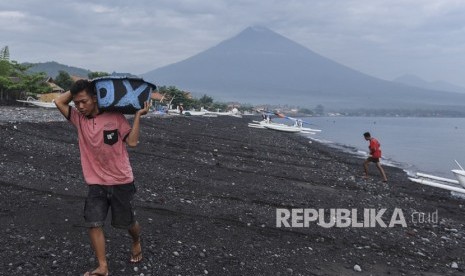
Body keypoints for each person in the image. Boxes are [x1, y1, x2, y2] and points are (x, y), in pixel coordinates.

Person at [54, 79, 151, 276]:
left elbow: (132, 142)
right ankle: (102, 267)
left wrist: (138, 115)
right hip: (96, 182)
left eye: (84, 102)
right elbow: (59, 102)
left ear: (96, 99)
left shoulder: (115, 117)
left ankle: (136, 240)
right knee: (93, 222)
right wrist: (82, 86)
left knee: (127, 223)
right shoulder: (78, 119)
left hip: (121, 181)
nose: (80, 107)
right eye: (77, 102)